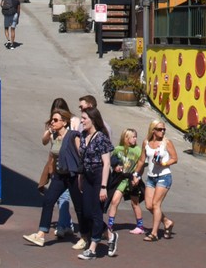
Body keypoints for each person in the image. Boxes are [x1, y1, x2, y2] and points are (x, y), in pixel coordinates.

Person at [26, 106, 79, 247]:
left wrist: (82, 176)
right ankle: (41, 234)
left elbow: (81, 156)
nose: (52, 123)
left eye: (55, 120)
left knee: (81, 207)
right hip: (60, 176)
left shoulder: (73, 136)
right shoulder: (55, 137)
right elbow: (49, 150)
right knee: (48, 201)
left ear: (65, 122)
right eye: (51, 120)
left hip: (72, 176)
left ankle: (93, 234)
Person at [76, 106, 116, 259]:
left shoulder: (101, 138)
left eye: (84, 118)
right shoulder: (83, 134)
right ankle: (110, 236)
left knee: (96, 212)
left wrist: (104, 187)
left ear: (92, 120)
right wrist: (81, 178)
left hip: (99, 175)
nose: (82, 121)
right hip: (87, 176)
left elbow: (106, 163)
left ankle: (93, 248)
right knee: (86, 212)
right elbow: (82, 159)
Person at [140, 119, 177, 241]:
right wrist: (136, 174)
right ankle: (166, 221)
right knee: (149, 205)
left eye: (164, 129)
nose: (163, 131)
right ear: (153, 130)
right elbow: (142, 160)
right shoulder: (146, 142)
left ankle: (154, 233)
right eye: (160, 129)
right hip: (151, 177)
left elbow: (174, 158)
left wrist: (164, 163)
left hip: (164, 176)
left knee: (156, 204)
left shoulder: (167, 142)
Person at [106, 128, 146, 234]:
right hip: (121, 179)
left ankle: (140, 226)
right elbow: (112, 160)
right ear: (126, 137)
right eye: (133, 137)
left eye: (136, 136)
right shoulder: (118, 149)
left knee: (135, 203)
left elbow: (141, 165)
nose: (135, 139)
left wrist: (137, 177)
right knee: (114, 201)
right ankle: (110, 225)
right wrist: (115, 166)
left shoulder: (138, 150)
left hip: (132, 179)